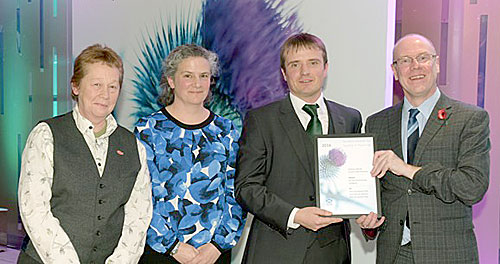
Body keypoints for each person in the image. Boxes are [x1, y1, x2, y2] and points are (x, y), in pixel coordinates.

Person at [357, 34, 490, 263]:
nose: (415, 67)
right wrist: (369, 221)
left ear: (436, 64)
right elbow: (377, 192)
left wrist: (408, 169)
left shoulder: (470, 119)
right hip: (394, 254)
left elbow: (472, 186)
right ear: (395, 71)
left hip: (448, 255)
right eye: (405, 61)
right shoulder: (377, 123)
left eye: (423, 58)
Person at [17, 44, 153, 263]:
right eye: (96, 84)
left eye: (112, 86)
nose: (105, 95)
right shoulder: (46, 135)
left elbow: (139, 216)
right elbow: (34, 209)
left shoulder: (133, 146)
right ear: (76, 87)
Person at [235, 33, 362, 264]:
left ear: (325, 68)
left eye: (313, 63)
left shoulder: (350, 118)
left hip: (332, 251)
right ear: (284, 73)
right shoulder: (261, 120)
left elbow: (353, 184)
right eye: (295, 65)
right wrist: (295, 215)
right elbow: (246, 187)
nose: (305, 72)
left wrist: (366, 213)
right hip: (276, 250)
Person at [135, 44, 246, 264]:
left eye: (204, 76)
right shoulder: (148, 129)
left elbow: (236, 193)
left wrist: (217, 246)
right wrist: (173, 247)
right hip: (161, 253)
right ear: (171, 80)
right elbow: (141, 197)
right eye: (188, 75)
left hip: (213, 255)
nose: (197, 84)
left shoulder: (227, 131)